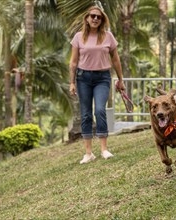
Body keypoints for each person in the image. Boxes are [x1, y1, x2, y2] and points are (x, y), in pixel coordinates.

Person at [69, 6, 125, 164]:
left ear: (102, 20)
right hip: (83, 78)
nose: (95, 19)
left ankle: (104, 149)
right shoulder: (79, 37)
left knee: (100, 110)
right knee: (86, 114)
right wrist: (72, 82)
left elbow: (115, 60)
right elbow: (73, 62)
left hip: (102, 78)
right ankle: (88, 153)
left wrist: (121, 80)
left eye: (98, 17)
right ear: (87, 18)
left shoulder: (108, 37)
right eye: (92, 16)